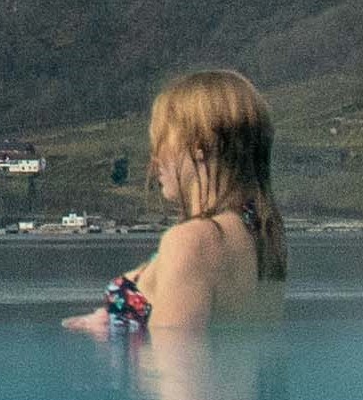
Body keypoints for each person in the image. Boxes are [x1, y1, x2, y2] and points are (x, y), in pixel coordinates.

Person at [85, 67, 288, 334]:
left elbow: (177, 365)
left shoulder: (192, 242)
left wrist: (115, 332)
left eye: (162, 141)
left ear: (199, 146)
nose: (155, 159)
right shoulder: (262, 232)